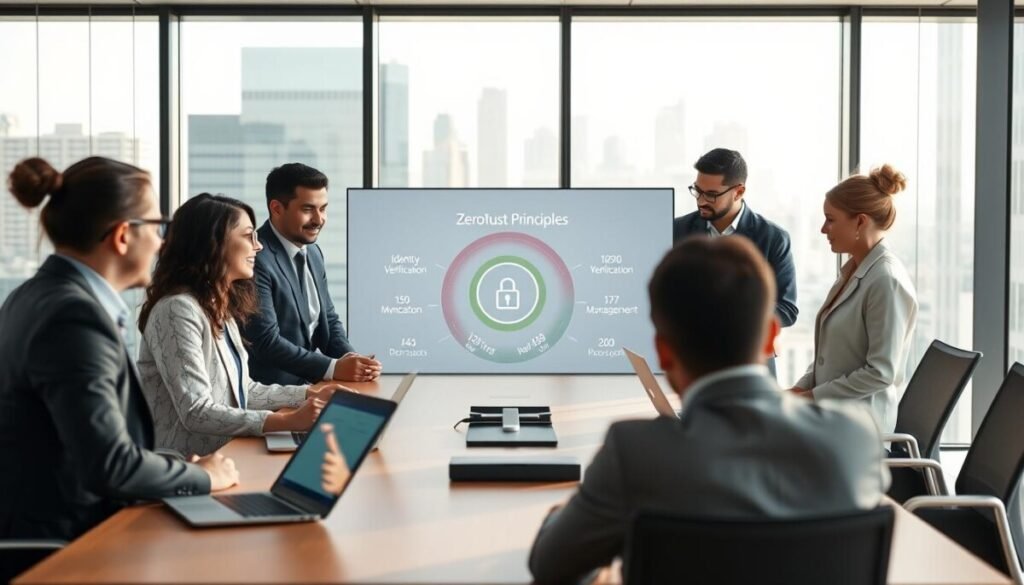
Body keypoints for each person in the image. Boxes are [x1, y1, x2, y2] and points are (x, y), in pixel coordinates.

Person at [528, 236, 889, 585]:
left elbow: (550, 565)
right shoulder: (855, 437)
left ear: (663, 351)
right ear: (770, 336)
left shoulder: (636, 454)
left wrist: (562, 515)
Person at [0, 157, 238, 541]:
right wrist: (204, 476)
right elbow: (108, 464)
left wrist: (174, 463)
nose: (162, 241)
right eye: (158, 226)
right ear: (123, 235)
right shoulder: (72, 317)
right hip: (66, 547)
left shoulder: (33, 295)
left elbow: (91, 441)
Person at [138, 193, 342, 457]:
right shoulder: (177, 310)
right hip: (186, 466)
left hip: (226, 456)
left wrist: (310, 394)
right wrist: (283, 421)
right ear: (214, 244)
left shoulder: (219, 305)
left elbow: (244, 391)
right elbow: (196, 411)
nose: (258, 247)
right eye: (248, 237)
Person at [791, 165, 918, 435]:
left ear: (860, 221)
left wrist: (811, 397)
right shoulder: (853, 271)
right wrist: (801, 388)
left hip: (859, 430)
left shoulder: (886, 280)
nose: (823, 229)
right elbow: (833, 356)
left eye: (830, 219)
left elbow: (880, 373)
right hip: (835, 416)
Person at [241, 163, 381, 386]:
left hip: (313, 388)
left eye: (323, 208)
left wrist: (353, 361)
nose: (319, 219)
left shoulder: (313, 253)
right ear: (277, 208)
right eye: (308, 209)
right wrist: (334, 368)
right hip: (272, 397)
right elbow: (266, 342)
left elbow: (328, 320)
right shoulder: (254, 258)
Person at [673, 148, 797, 375]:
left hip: (752, 367)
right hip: (693, 363)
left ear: (738, 192)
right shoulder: (677, 231)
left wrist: (730, 312)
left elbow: (787, 310)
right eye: (697, 191)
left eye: (711, 194)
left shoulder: (773, 238)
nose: (701, 201)